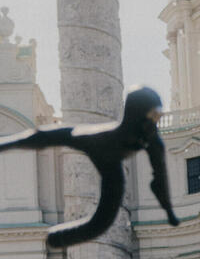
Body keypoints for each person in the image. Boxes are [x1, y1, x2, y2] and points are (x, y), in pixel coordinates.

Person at [0, 85, 179, 248]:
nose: (155, 123)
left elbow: (159, 180)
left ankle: (56, 238)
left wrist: (169, 211)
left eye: (158, 117)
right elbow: (47, 137)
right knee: (46, 136)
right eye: (154, 116)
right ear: (137, 115)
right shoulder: (113, 136)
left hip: (111, 164)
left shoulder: (153, 140)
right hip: (97, 143)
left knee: (101, 222)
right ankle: (5, 143)